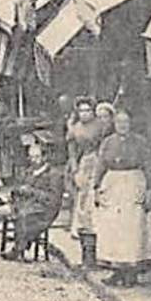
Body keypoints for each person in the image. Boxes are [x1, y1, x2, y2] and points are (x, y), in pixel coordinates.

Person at [93, 108, 151, 284]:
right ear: (114, 125)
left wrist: (149, 190)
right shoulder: (107, 142)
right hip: (113, 185)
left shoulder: (140, 142)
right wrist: (96, 187)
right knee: (113, 229)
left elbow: (149, 166)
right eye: (119, 123)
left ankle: (131, 273)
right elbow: (100, 165)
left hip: (133, 183)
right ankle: (116, 272)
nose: (122, 126)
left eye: (126, 122)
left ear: (130, 124)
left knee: (132, 229)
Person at [65, 97, 110, 266]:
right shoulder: (75, 128)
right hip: (85, 162)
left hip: (100, 159)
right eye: (81, 111)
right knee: (84, 200)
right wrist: (75, 168)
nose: (84, 114)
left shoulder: (101, 125)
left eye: (88, 111)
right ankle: (86, 244)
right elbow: (72, 150)